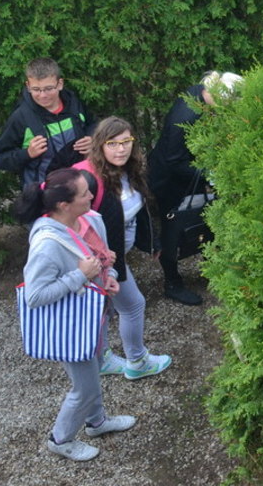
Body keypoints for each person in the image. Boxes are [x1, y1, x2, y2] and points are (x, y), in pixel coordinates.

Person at [14, 168, 137, 462]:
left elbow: (103, 260)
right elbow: (34, 296)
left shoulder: (90, 220)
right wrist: (79, 276)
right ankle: (60, 439)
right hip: (71, 326)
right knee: (84, 389)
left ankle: (96, 422)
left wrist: (110, 276)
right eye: (84, 193)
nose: (92, 195)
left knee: (95, 370)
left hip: (93, 316)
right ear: (63, 205)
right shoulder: (46, 245)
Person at [74, 117, 171, 380]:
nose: (121, 149)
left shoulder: (130, 170)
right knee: (133, 305)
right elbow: (68, 219)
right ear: (100, 145)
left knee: (103, 307)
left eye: (126, 141)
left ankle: (102, 359)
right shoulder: (86, 177)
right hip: (97, 261)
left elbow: (138, 210)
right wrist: (107, 270)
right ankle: (137, 362)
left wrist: (151, 242)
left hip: (114, 256)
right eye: (113, 143)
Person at [148, 71, 243, 306]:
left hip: (190, 174)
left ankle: (212, 266)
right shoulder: (185, 117)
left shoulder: (200, 93)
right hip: (169, 181)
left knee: (206, 220)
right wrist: (212, 175)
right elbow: (174, 161)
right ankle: (172, 283)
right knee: (173, 229)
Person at [0, 57, 95, 188]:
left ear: (60, 84)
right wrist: (27, 153)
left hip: (81, 187)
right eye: (36, 89)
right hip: (43, 193)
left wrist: (92, 139)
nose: (43, 95)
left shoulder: (73, 103)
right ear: (28, 86)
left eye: (48, 88)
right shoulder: (21, 117)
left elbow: (93, 124)